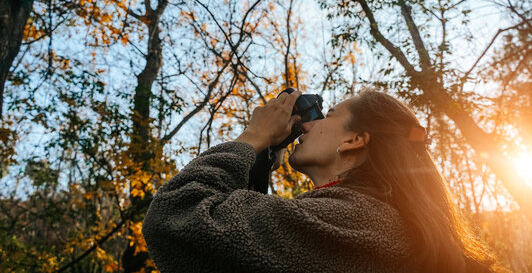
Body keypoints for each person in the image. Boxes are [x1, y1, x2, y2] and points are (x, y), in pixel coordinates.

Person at [142, 88, 501, 272]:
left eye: (328, 115)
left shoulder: (355, 220)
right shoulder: (369, 219)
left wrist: (252, 137)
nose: (307, 125)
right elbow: (235, 257)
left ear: (353, 139)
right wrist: (260, 164)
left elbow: (177, 219)